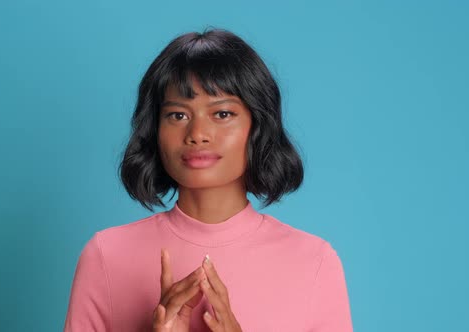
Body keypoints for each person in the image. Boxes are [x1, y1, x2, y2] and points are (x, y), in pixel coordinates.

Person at [63, 29, 353, 332]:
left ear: (257, 126)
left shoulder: (314, 262)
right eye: (178, 115)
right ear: (155, 129)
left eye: (223, 113)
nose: (197, 133)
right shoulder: (106, 256)